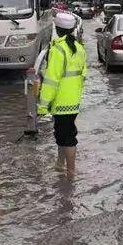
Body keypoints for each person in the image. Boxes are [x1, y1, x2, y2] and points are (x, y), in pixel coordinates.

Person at [37, 12, 87, 178]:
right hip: (73, 102)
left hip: (61, 102)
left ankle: (71, 172)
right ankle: (60, 164)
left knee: (67, 138)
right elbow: (83, 75)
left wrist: (42, 105)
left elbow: (51, 80)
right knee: (62, 134)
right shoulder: (79, 48)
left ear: (57, 29)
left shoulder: (58, 49)